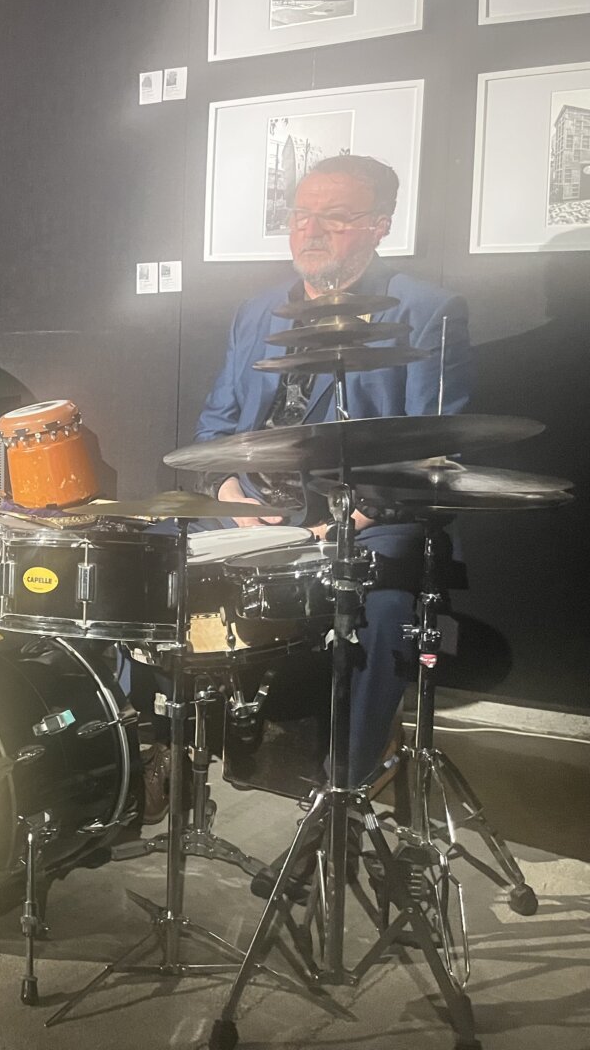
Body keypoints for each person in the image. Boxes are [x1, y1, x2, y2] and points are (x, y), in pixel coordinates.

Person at [133, 155, 470, 823]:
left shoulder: (429, 311)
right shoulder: (258, 311)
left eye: (334, 218)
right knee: (140, 562)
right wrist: (229, 492)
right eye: (300, 215)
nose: (310, 231)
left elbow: (437, 452)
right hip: (257, 510)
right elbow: (215, 428)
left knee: (383, 610)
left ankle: (344, 790)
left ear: (379, 225)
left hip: (366, 518)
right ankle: (160, 743)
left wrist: (353, 518)